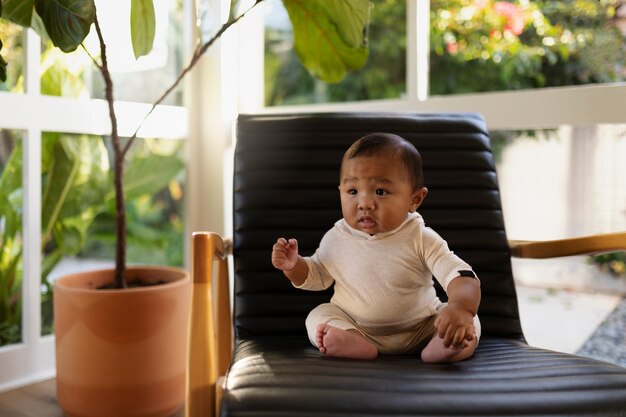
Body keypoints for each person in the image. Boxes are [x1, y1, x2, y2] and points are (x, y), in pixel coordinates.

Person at [271, 132, 481, 363]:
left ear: (415, 199)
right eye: (353, 191)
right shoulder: (336, 237)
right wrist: (294, 265)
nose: (365, 204)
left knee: (469, 321)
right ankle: (351, 341)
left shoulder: (420, 237)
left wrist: (461, 308)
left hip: (421, 328)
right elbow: (317, 276)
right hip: (358, 327)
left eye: (380, 191)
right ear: (340, 191)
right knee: (319, 315)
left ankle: (446, 344)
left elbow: (460, 274)